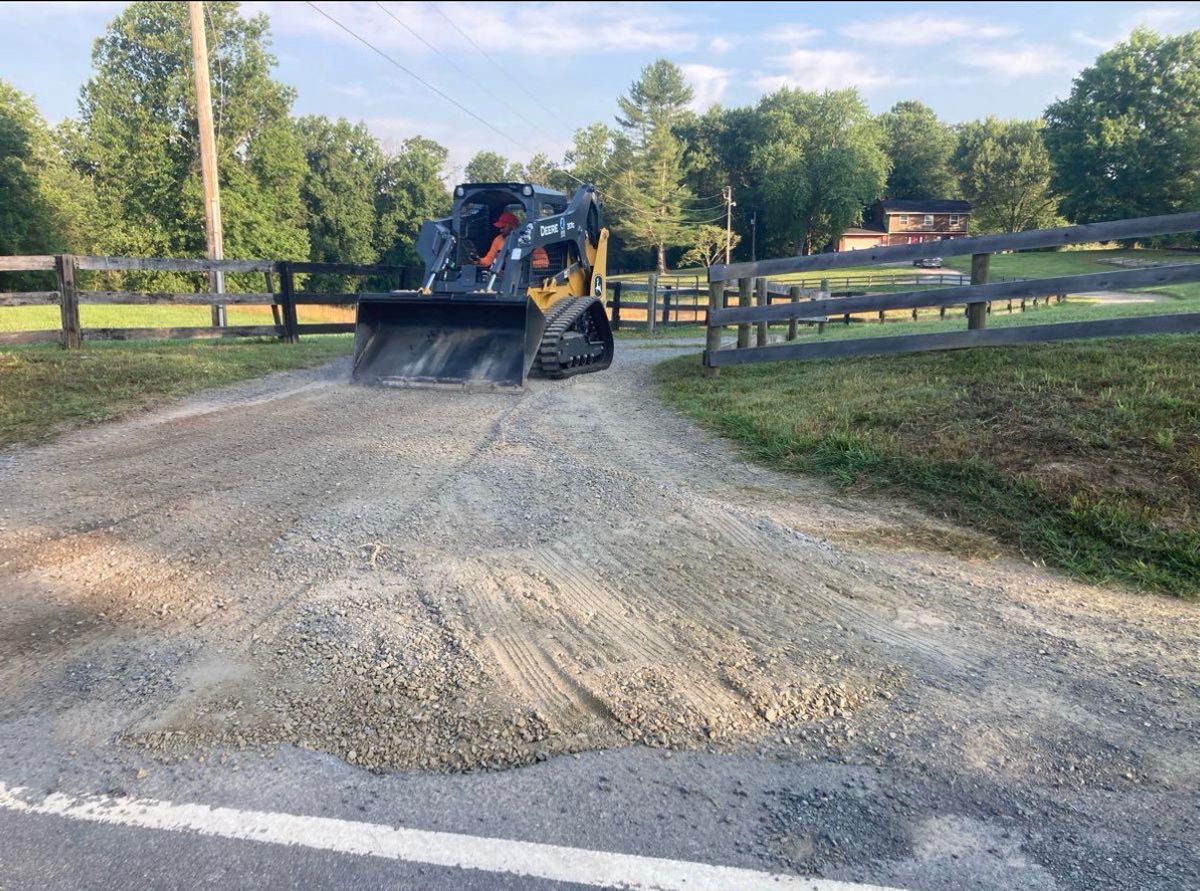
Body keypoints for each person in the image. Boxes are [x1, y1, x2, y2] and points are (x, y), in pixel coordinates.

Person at [478, 210, 549, 271]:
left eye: (503, 227)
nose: (500, 230)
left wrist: (520, 265)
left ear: (512, 226)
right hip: (499, 278)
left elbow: (544, 262)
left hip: (521, 278)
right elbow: (489, 259)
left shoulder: (528, 239)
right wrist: (479, 261)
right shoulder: (498, 239)